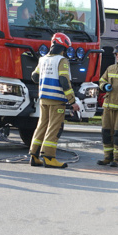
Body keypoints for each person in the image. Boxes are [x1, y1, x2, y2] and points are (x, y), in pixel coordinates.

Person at [29, 33, 80, 168]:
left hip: (43, 98)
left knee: (42, 125)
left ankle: (34, 155)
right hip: (57, 99)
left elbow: (34, 77)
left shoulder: (43, 59)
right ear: (63, 48)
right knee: (54, 127)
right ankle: (49, 157)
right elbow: (64, 81)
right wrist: (72, 101)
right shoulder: (62, 61)